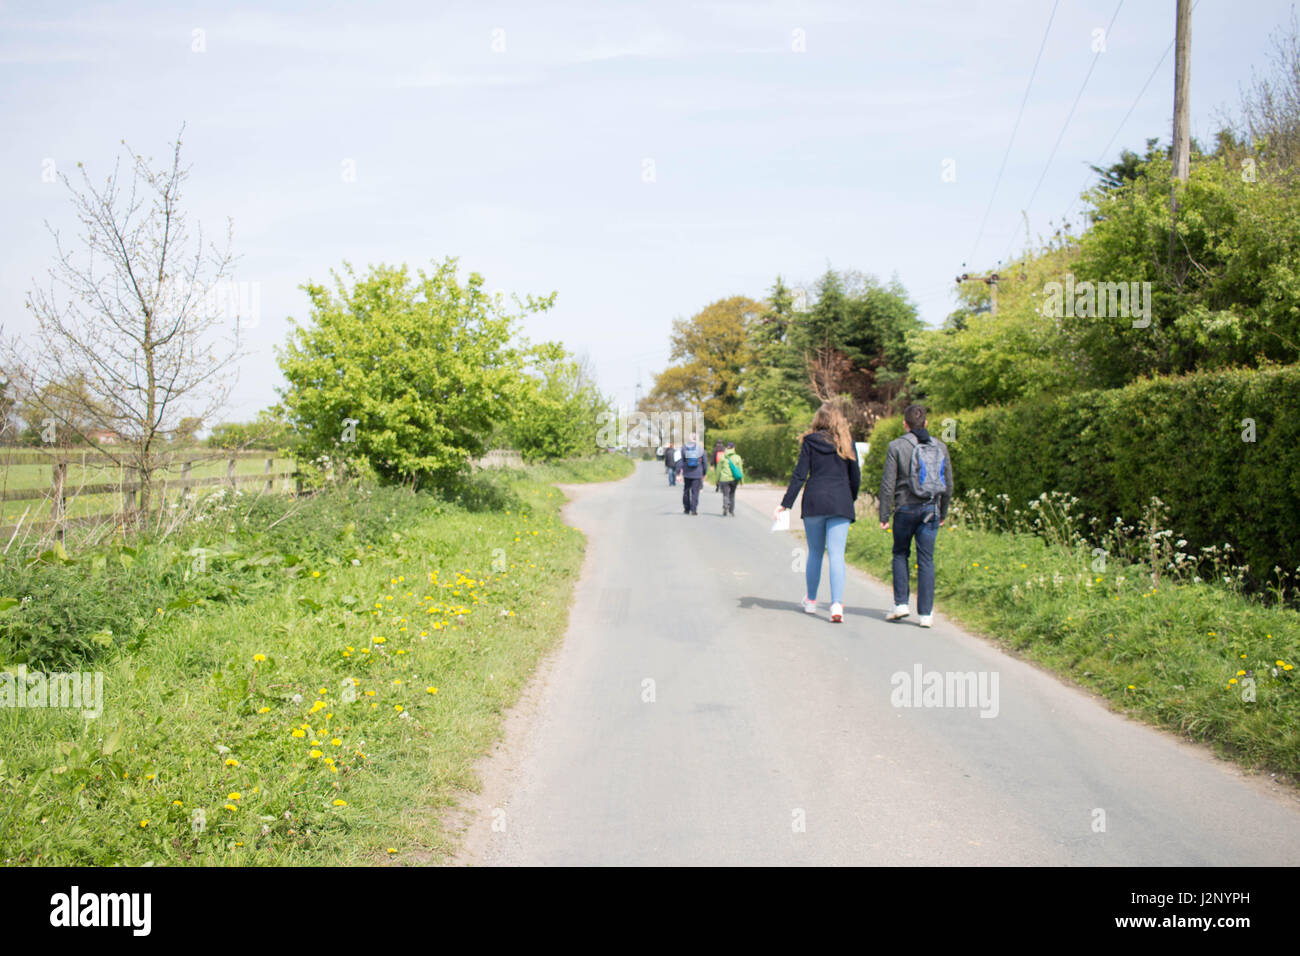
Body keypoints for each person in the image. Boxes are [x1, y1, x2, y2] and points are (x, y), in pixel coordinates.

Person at [775, 403, 860, 623]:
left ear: (818, 420)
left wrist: (786, 503)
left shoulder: (810, 442)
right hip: (840, 501)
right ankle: (836, 606)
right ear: (838, 420)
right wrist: (851, 498)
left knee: (814, 552)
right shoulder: (847, 443)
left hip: (814, 501)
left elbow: (800, 474)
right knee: (837, 554)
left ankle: (811, 601)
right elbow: (855, 475)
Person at [879, 403, 954, 628]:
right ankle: (926, 615)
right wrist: (943, 511)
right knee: (926, 560)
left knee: (901, 553)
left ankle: (901, 604)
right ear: (926, 423)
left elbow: (887, 484)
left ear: (905, 424)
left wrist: (884, 514)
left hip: (904, 509)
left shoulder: (896, 446)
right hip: (930, 509)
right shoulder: (940, 447)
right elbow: (948, 483)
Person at [676, 433, 708, 515]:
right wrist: (704, 473)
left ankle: (686, 508)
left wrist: (678, 472)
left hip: (687, 473)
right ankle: (693, 510)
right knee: (695, 492)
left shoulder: (684, 448)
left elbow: (680, 461)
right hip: (697, 473)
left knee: (686, 490)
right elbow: (705, 462)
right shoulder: (701, 449)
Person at [713, 441, 743, 516]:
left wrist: (717, 480)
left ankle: (725, 504)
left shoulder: (722, 457)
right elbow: (740, 469)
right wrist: (741, 480)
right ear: (734, 448)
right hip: (734, 479)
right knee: (732, 494)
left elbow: (718, 470)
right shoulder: (737, 457)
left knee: (725, 494)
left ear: (726, 448)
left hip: (724, 479)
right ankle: (731, 510)